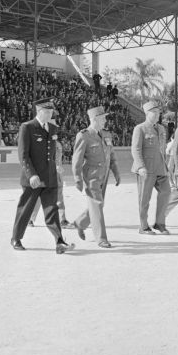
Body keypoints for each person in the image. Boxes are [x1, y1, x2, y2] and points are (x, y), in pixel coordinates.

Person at [10, 97, 75, 255]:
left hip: (50, 178)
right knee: (25, 209)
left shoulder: (52, 128)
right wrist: (31, 175)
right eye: (49, 112)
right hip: (33, 179)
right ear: (40, 111)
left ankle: (59, 242)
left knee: (52, 210)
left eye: (52, 112)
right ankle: (16, 238)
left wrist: (55, 170)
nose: (51, 114)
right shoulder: (27, 127)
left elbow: (51, 154)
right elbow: (23, 155)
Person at [72, 106, 121, 249]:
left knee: (97, 205)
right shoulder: (84, 135)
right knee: (97, 204)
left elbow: (111, 155)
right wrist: (77, 178)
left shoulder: (106, 134)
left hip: (104, 175)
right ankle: (101, 238)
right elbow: (77, 159)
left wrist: (116, 172)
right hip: (91, 176)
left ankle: (80, 222)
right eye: (103, 118)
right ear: (94, 119)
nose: (105, 120)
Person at [131, 100, 171, 235]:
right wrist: (140, 166)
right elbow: (135, 149)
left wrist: (167, 167)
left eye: (158, 112)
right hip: (146, 169)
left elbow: (163, 149)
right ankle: (143, 226)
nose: (157, 114)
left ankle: (160, 223)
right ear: (147, 113)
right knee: (144, 198)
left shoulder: (161, 129)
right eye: (153, 112)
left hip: (160, 168)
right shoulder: (140, 128)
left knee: (166, 192)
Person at [29, 124, 74, 229]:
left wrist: (58, 169)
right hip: (44, 174)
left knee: (59, 197)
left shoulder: (58, 144)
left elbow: (58, 159)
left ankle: (62, 219)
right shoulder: (40, 143)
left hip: (57, 175)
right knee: (39, 197)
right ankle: (30, 219)